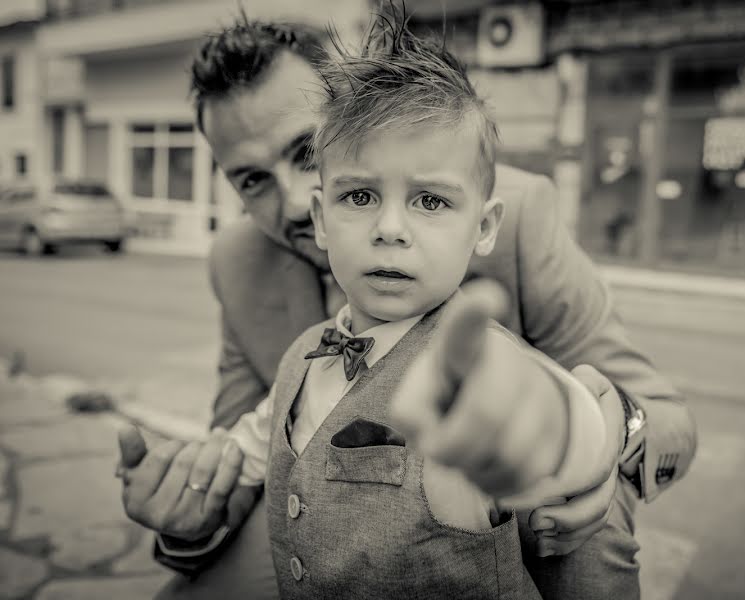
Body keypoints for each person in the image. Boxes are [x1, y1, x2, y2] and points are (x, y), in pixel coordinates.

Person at [117, 13, 697, 600]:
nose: (293, 201)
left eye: (303, 151)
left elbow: (664, 416)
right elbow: (242, 455)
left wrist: (600, 435)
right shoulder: (236, 261)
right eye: (251, 180)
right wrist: (186, 523)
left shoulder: (514, 213)